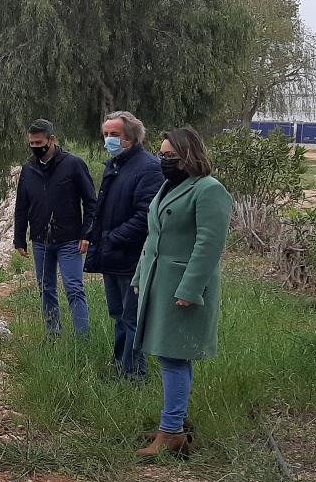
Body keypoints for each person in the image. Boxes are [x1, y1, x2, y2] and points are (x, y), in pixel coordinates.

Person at [133, 127, 232, 456]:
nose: (163, 161)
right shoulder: (168, 187)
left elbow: (209, 244)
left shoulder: (208, 190)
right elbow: (153, 236)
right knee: (168, 355)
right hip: (158, 283)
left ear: (189, 156)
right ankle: (173, 422)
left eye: (170, 157)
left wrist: (190, 288)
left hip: (181, 288)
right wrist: (139, 274)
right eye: (161, 155)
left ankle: (171, 432)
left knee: (174, 357)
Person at [83, 111, 163, 380]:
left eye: (114, 134)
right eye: (106, 134)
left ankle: (133, 376)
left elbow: (146, 215)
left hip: (132, 257)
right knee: (119, 315)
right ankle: (119, 368)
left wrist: (112, 238)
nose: (109, 139)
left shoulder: (149, 167)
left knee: (132, 318)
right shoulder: (115, 164)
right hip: (112, 256)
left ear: (131, 136)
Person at [14, 119, 97, 336]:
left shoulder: (73, 164)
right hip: (40, 240)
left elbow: (91, 201)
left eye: (39, 142)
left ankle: (83, 340)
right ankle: (53, 335)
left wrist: (87, 233)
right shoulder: (28, 169)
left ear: (52, 140)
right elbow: (21, 205)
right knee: (45, 289)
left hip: (69, 239)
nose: (35, 147)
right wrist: (19, 238)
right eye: (31, 143)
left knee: (74, 289)